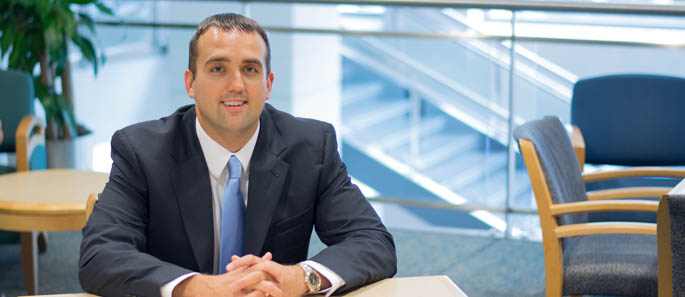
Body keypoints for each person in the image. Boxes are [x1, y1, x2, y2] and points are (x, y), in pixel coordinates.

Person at [79, 12, 397, 297]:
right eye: (218, 68)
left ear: (268, 84)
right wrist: (200, 287)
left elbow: (372, 241)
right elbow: (100, 254)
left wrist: (300, 278)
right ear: (191, 83)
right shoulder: (142, 150)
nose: (237, 84)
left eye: (250, 69)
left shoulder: (311, 146)